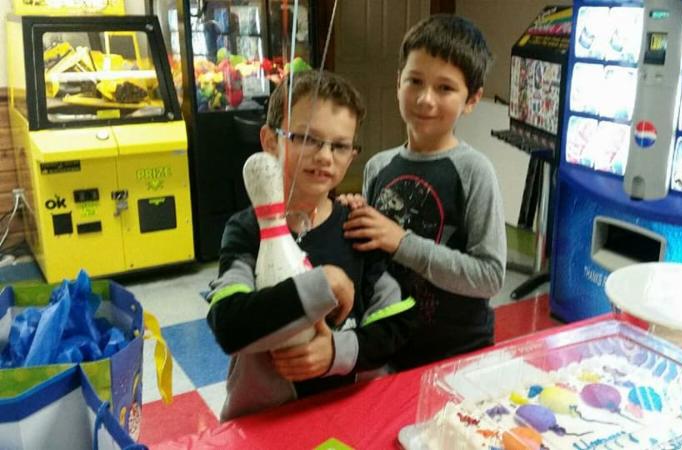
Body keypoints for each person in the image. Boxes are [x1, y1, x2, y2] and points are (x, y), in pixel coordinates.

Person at [206, 70, 415, 421]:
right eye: (307, 138)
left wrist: (335, 352)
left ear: (352, 154)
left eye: (340, 145)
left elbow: (396, 324)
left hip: (348, 411)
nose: (324, 156)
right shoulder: (245, 231)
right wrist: (324, 282)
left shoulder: (358, 226)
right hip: (268, 421)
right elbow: (229, 325)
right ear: (270, 140)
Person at [342, 15, 506, 370]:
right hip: (390, 349)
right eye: (414, 81)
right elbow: (371, 258)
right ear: (397, 82)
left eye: (445, 88)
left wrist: (402, 242)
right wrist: (349, 218)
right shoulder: (377, 166)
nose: (425, 99)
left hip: (460, 353)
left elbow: (490, 276)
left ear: (472, 99)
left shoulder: (475, 171)